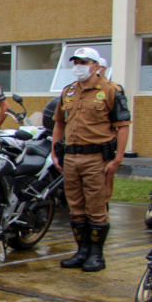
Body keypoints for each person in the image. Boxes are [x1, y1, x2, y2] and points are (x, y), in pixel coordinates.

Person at [51, 47, 131, 272]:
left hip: (97, 159)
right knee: (75, 208)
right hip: (71, 157)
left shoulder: (110, 91)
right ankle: (82, 251)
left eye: (83, 62)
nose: (78, 66)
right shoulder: (67, 92)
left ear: (96, 66)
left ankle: (96, 255)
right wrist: (55, 151)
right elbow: (59, 123)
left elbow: (122, 127)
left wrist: (117, 159)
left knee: (96, 208)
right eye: (75, 62)